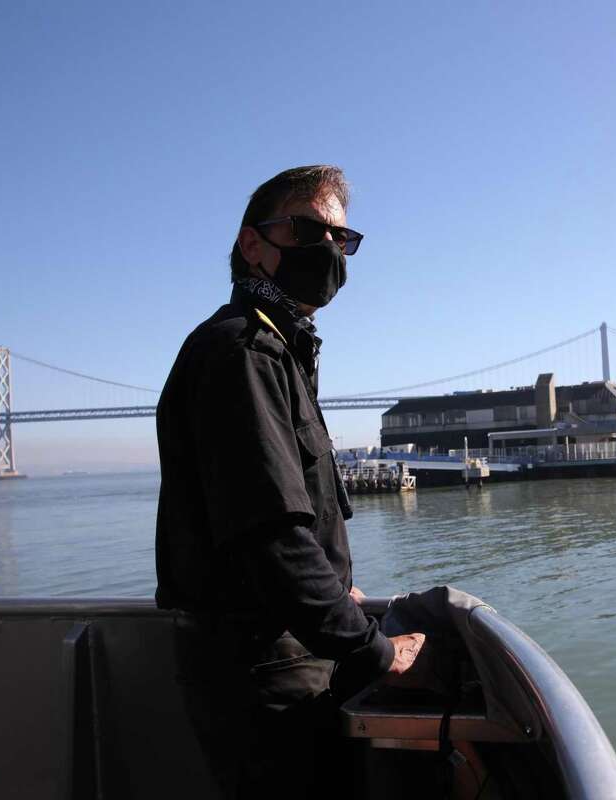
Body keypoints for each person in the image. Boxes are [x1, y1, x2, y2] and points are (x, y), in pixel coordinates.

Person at [155, 165, 428, 797]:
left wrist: (339, 598)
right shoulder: (242, 354)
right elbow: (271, 534)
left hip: (287, 651)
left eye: (342, 238)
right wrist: (379, 653)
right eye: (309, 229)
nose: (329, 249)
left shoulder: (279, 351)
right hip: (266, 670)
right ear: (253, 245)